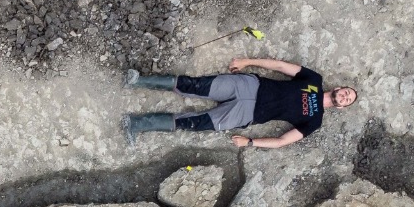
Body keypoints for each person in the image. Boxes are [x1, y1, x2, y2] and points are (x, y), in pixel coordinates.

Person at [122, 58, 358, 148]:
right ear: (338, 88)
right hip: (249, 86)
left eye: (348, 100)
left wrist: (251, 142)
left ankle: (136, 124)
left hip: (246, 114)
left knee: (194, 123)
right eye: (347, 92)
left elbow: (282, 141)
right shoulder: (314, 80)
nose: (345, 96)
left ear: (341, 107)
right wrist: (247, 62)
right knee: (193, 85)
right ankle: (137, 80)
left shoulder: (314, 121)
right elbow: (279, 66)